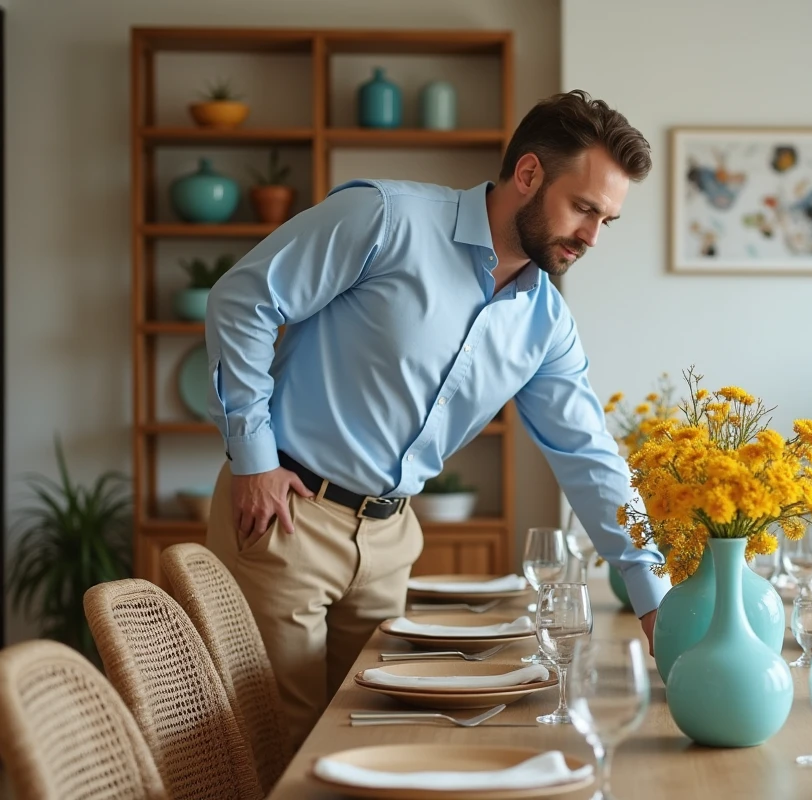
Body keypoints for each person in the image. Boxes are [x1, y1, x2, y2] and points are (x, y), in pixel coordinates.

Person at [203, 89, 670, 749]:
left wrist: (653, 596)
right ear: (529, 174)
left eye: (607, 221)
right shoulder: (386, 218)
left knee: (370, 743)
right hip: (287, 517)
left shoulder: (545, 324)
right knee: (277, 751)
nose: (592, 237)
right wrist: (252, 459)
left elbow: (589, 456)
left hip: (392, 542)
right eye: (584, 208)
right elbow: (242, 299)